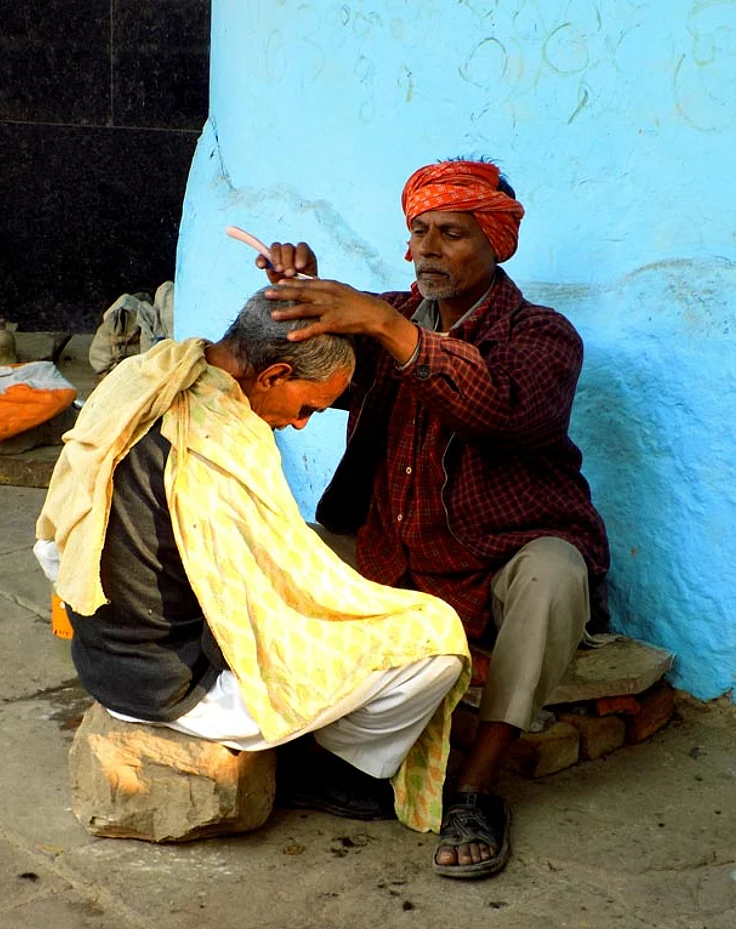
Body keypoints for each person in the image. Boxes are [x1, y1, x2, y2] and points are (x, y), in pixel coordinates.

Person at [260, 158, 610, 879]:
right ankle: (314, 746)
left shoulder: (542, 335)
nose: (426, 250)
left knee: (555, 574)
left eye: (451, 233)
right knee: (276, 550)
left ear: (496, 242)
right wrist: (296, 295)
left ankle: (477, 788)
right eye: (419, 232)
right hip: (397, 553)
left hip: (496, 559)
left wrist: (389, 327)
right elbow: (314, 366)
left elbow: (502, 412)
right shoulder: (384, 318)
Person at [34, 289, 471, 835]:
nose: (302, 424)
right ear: (274, 375)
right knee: (437, 642)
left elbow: (55, 547)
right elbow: (246, 621)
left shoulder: (144, 376)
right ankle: (327, 769)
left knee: (341, 592)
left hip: (102, 662)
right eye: (308, 407)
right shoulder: (218, 444)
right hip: (175, 691)